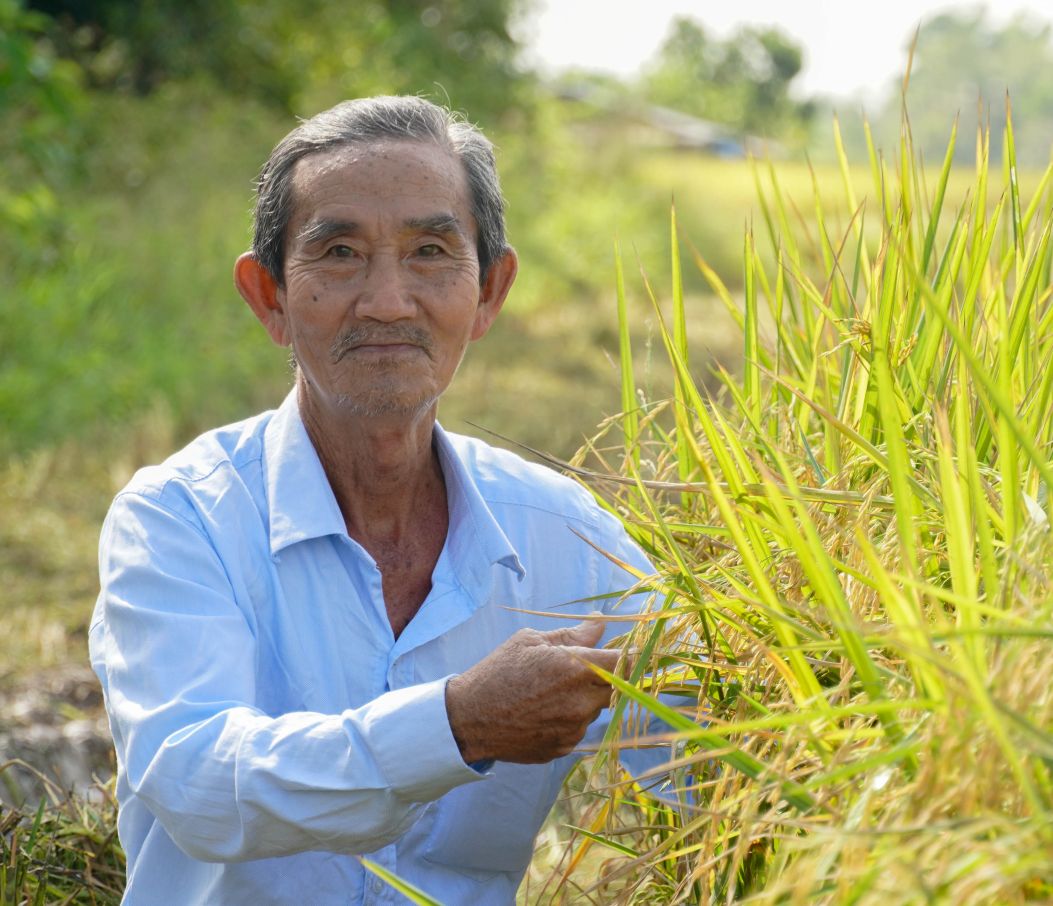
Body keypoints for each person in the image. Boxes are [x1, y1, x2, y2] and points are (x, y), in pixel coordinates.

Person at [89, 96, 657, 906]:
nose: (387, 301)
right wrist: (457, 727)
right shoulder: (180, 518)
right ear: (270, 298)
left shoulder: (565, 537)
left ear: (490, 292)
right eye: (340, 253)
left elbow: (702, 735)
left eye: (431, 251)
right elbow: (198, 781)